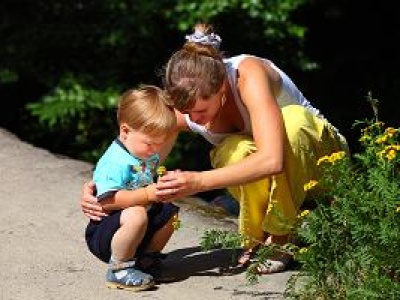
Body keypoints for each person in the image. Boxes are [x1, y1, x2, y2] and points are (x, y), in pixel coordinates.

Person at [81, 23, 349, 274]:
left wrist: (197, 181)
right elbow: (136, 143)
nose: (193, 120)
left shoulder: (248, 74)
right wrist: (99, 186)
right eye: (185, 112)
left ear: (221, 88)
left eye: (200, 111)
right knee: (232, 149)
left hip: (320, 162)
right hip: (275, 184)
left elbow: (272, 160)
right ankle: (255, 237)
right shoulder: (187, 104)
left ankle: (280, 234)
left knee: (292, 120)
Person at [84, 85, 179, 291]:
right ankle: (119, 268)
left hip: (138, 224)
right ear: (125, 131)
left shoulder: (142, 152)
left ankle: (147, 260)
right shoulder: (115, 162)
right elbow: (108, 201)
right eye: (150, 143)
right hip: (108, 229)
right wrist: (147, 194)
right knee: (136, 214)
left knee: (172, 213)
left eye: (160, 143)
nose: (155, 150)